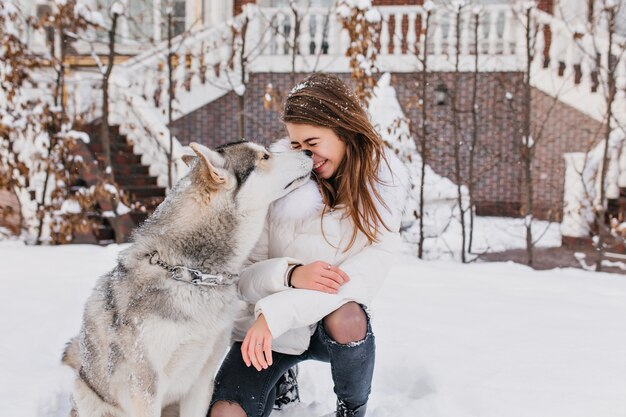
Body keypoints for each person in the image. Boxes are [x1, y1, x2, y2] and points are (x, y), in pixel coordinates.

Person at [208, 73, 408, 417]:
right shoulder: (277, 184)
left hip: (320, 330)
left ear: (344, 130)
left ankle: (351, 410)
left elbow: (354, 284)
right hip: (267, 330)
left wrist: (277, 313)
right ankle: (282, 382)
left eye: (313, 143)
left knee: (348, 315)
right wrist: (291, 275)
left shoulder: (382, 193)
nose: (306, 157)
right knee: (226, 412)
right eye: (296, 146)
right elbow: (241, 278)